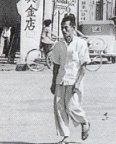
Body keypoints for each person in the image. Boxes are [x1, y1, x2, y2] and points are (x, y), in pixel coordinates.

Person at [49, 14, 91, 143]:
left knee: (72, 106)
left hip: (74, 80)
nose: (64, 30)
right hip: (61, 80)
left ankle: (84, 123)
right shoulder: (58, 45)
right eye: (62, 28)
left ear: (73, 28)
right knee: (59, 108)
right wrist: (53, 82)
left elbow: (83, 66)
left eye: (66, 28)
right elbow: (56, 65)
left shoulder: (81, 43)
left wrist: (77, 83)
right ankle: (65, 136)